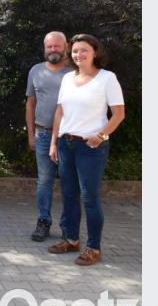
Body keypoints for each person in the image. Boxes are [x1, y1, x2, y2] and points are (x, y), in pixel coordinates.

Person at [48, 34, 125, 266]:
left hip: (91, 147)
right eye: (75, 51)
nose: (78, 55)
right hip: (66, 143)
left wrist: (101, 136)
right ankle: (71, 240)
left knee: (90, 198)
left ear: (94, 52)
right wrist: (54, 142)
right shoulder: (68, 79)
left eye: (84, 50)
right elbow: (60, 113)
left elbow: (119, 113)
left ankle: (94, 247)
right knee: (69, 195)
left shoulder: (107, 78)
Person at [25, 32, 72, 241]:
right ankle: (43, 221)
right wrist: (30, 135)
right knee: (44, 181)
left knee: (70, 182)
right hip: (42, 133)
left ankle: (67, 225)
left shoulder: (75, 71)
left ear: (66, 47)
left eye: (57, 46)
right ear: (45, 48)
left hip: (70, 136)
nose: (53, 50)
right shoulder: (36, 71)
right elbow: (30, 104)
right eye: (49, 46)